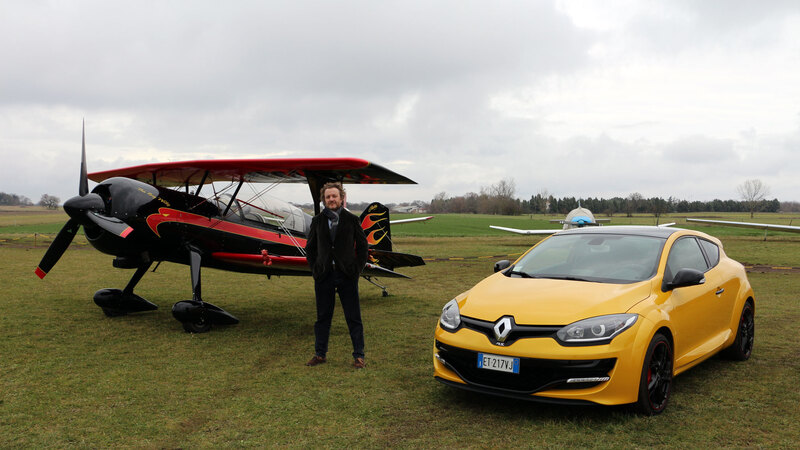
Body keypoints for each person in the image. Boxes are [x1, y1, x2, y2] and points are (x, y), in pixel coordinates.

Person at [304, 181, 369, 369]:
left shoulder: (352, 220)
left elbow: (363, 246)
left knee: (353, 317)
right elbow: (310, 249)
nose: (331, 199)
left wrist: (356, 269)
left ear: (341, 198)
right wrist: (315, 269)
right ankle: (320, 354)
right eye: (328, 197)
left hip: (347, 275)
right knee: (322, 317)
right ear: (324, 200)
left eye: (334, 196)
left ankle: (359, 356)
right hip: (324, 275)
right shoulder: (317, 221)